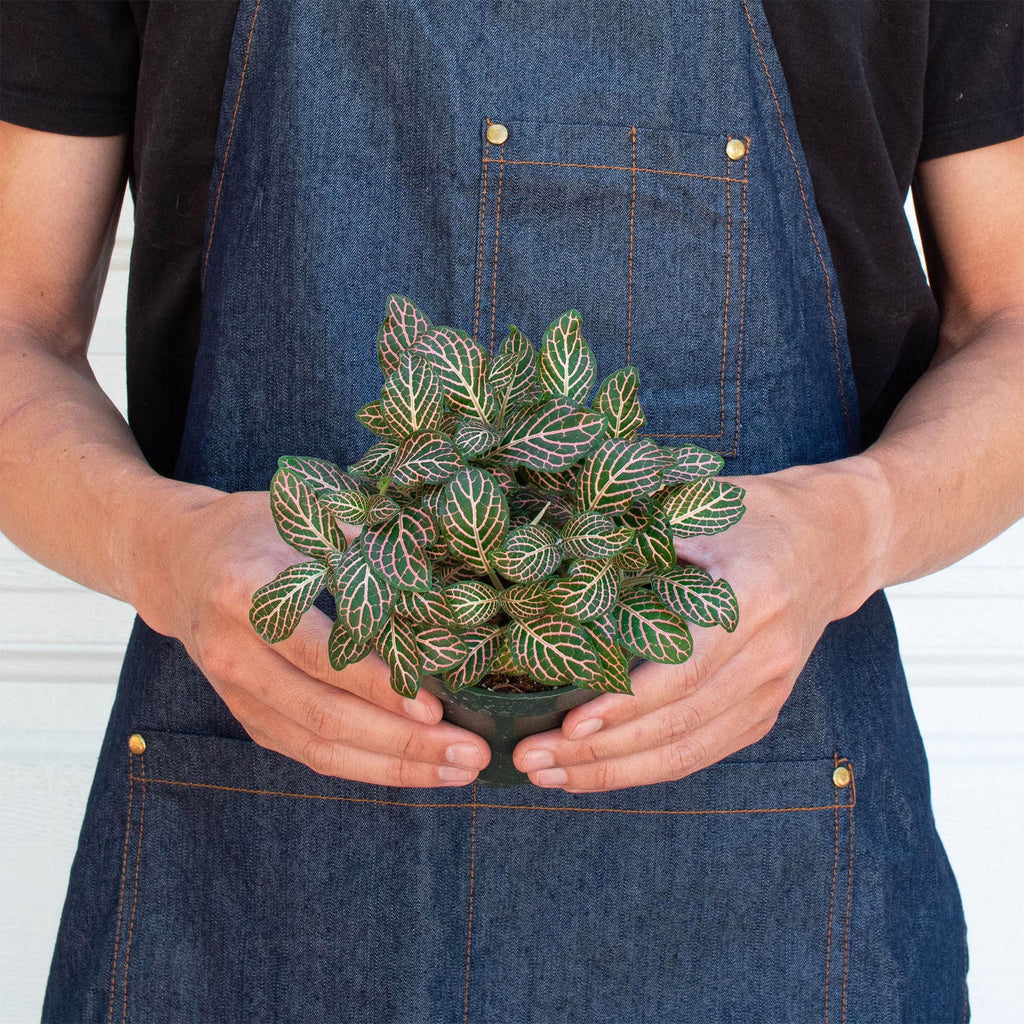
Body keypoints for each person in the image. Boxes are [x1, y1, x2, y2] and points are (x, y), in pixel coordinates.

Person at [1, 1, 1021, 1020]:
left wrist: (853, 526)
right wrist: (160, 551)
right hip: (245, 879)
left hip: (776, 883)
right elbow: (17, 322)